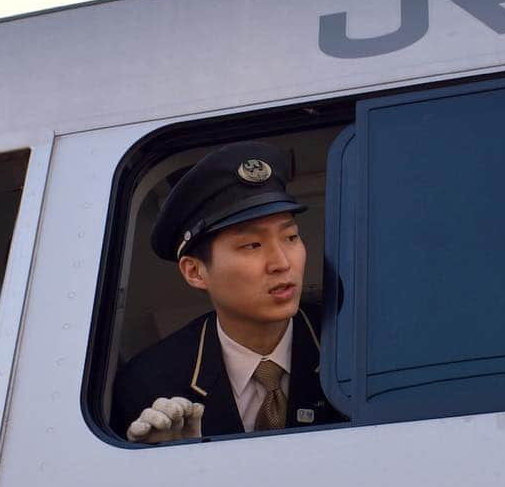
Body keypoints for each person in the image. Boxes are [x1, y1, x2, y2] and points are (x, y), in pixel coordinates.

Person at [111, 141, 346, 443]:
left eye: (290, 236)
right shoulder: (150, 383)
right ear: (195, 271)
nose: (282, 263)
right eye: (252, 245)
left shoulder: (348, 348)